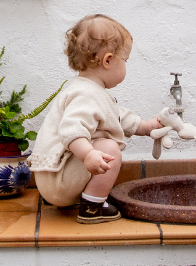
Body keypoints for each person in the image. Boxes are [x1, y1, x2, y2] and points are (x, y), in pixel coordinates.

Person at [27, 15, 164, 224]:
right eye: (125, 60)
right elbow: (71, 130)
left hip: (54, 178)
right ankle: (93, 207)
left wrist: (146, 127)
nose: (126, 65)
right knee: (109, 149)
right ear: (108, 60)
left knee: (103, 145)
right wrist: (88, 154)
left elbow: (116, 116)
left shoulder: (88, 90)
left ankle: (82, 197)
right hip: (58, 179)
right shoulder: (85, 94)